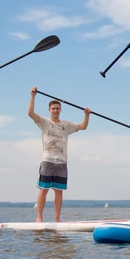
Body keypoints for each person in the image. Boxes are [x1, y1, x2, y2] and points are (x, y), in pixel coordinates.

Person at [28, 87, 90, 222]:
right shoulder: (44, 122)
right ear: (49, 110)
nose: (55, 110)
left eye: (57, 108)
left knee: (58, 191)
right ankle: (39, 218)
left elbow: (83, 126)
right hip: (48, 160)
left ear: (60, 110)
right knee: (44, 189)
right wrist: (33, 96)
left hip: (62, 162)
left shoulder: (66, 125)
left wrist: (86, 115)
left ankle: (57, 219)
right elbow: (30, 113)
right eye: (53, 108)